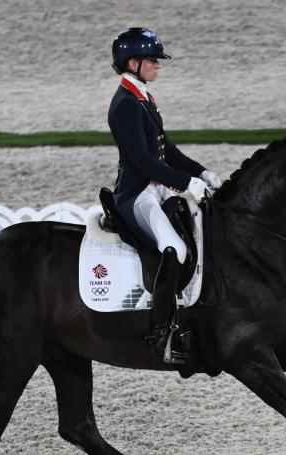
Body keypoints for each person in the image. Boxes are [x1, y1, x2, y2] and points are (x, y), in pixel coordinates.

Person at [107, 27, 222, 363]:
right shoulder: (124, 105)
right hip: (137, 193)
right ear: (133, 62)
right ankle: (162, 331)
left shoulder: (142, 97)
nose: (158, 65)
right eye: (153, 60)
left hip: (156, 186)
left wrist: (201, 172)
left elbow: (165, 150)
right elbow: (142, 161)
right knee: (175, 248)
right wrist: (184, 183)